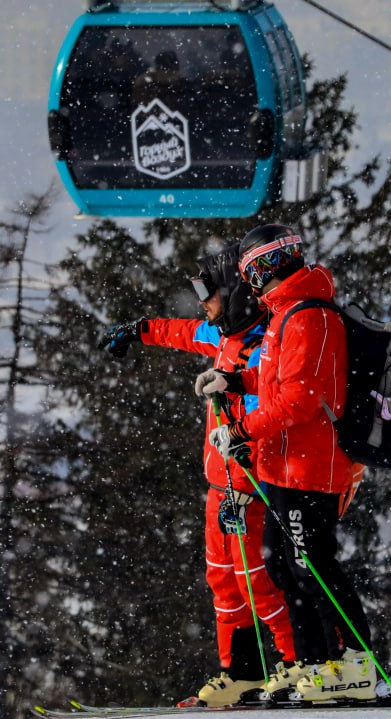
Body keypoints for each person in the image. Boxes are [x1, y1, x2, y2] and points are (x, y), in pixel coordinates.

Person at [97, 241, 298, 707]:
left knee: (259, 578)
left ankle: (295, 664)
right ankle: (241, 673)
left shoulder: (264, 347)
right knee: (224, 578)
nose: (204, 304)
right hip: (218, 484)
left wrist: (248, 472)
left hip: (249, 485)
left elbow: (271, 414)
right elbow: (183, 332)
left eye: (210, 292)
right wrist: (139, 330)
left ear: (238, 294)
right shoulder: (225, 338)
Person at [194, 224, 375, 703]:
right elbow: (277, 380)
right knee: (282, 564)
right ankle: (313, 664)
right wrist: (237, 383)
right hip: (286, 465)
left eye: (248, 272)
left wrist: (239, 430)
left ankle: (358, 665)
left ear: (262, 268)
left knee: (312, 566)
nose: (246, 283)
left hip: (311, 466)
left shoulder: (308, 315)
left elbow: (300, 399)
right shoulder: (286, 313)